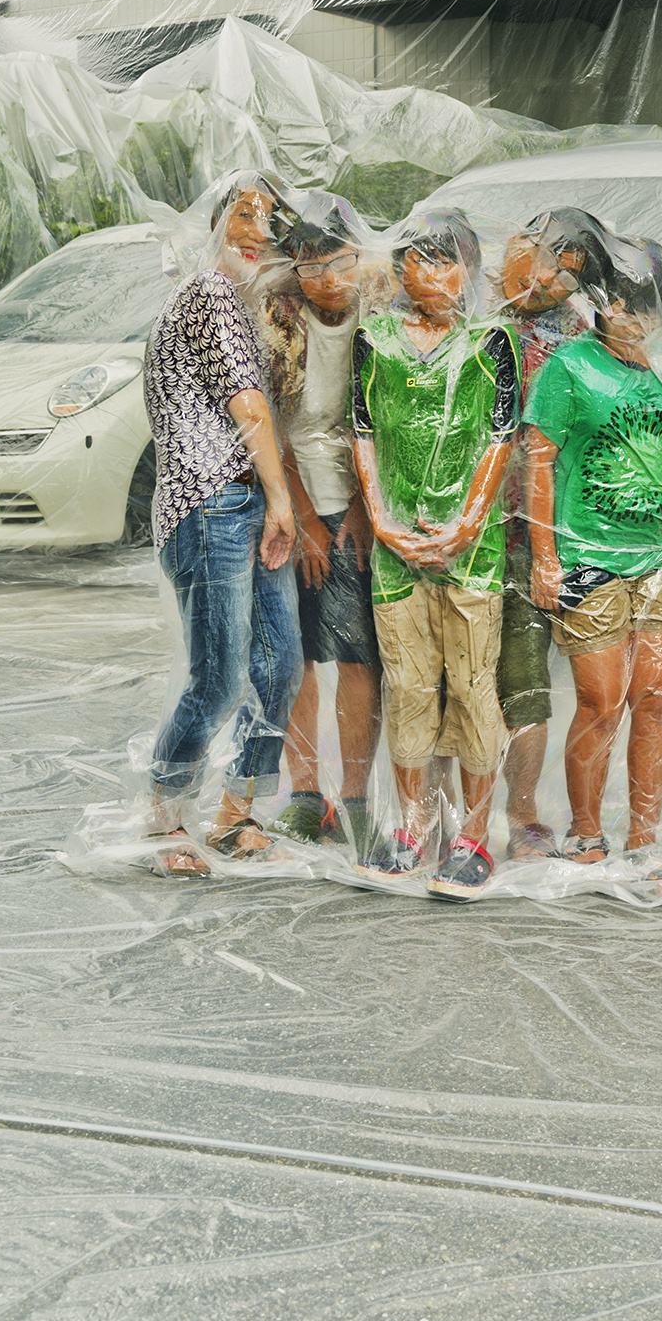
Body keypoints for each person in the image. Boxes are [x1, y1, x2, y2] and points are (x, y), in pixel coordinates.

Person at [522, 236, 662, 865]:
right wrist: (545, 559)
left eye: (643, 305)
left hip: (656, 558)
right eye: (618, 303)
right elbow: (539, 465)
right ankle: (585, 830)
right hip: (589, 558)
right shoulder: (570, 367)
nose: (629, 316)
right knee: (602, 702)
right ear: (598, 304)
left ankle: (644, 836)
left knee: (655, 701)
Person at [351, 209, 519, 899]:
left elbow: (499, 437)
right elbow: (361, 430)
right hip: (395, 549)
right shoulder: (375, 338)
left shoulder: (491, 341)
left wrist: (467, 525)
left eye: (448, 261)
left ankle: (475, 835)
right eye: (419, 261)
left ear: (472, 270)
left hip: (471, 553)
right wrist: (382, 522)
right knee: (410, 686)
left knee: (475, 687)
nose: (433, 275)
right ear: (400, 271)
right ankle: (413, 826)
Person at [141, 172, 303, 877]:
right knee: (220, 679)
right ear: (214, 222)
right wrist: (283, 499)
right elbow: (247, 407)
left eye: (271, 220)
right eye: (243, 212)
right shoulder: (208, 293)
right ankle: (166, 822)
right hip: (210, 506)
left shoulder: (239, 304)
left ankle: (237, 813)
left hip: (239, 507)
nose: (256, 230)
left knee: (281, 664)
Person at [258, 192, 388, 857]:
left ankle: (359, 798)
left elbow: (389, 416)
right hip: (293, 497)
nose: (329, 282)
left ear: (359, 257)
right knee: (300, 656)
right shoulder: (279, 314)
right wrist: (302, 515)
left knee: (362, 656)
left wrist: (367, 507)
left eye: (340, 265)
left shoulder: (381, 307)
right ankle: (306, 795)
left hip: (366, 499)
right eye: (313, 270)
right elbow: (265, 420)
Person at [493, 209, 612, 859]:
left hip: (583, 534)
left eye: (560, 266)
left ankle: (589, 818)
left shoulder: (588, 336)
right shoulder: (483, 327)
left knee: (600, 687)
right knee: (523, 678)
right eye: (533, 255)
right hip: (507, 535)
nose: (542, 273)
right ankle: (521, 814)